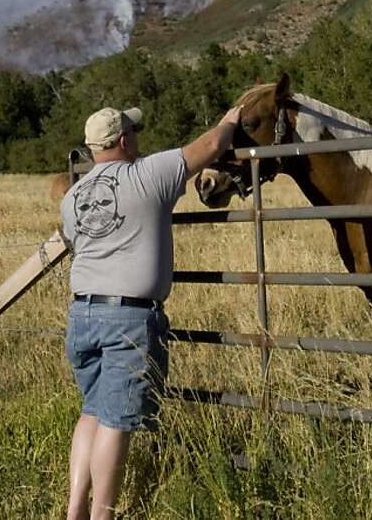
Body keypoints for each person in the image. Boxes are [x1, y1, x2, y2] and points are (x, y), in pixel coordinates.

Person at [59, 103, 241, 520]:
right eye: (134, 133)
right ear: (124, 140)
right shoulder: (149, 173)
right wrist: (231, 119)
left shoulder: (73, 197)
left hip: (82, 314)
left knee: (91, 409)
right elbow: (211, 144)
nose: (139, 140)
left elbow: (75, 242)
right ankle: (103, 514)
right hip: (128, 318)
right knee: (116, 421)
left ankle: (75, 510)